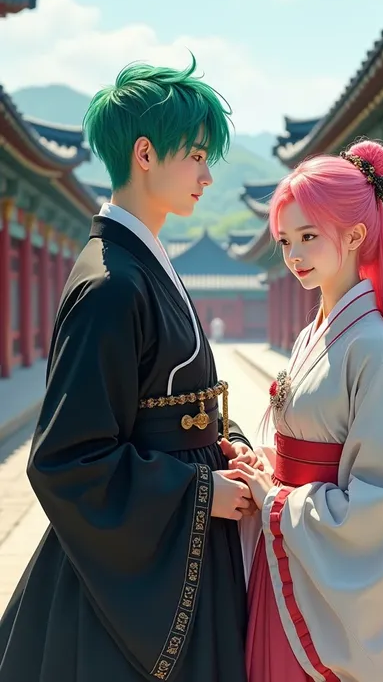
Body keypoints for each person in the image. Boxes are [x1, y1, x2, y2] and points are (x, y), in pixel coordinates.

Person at [0, 57, 261, 682]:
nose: (207, 173)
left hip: (184, 546)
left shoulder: (142, 262)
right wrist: (201, 494)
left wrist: (230, 451)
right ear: (145, 153)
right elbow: (66, 457)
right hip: (144, 570)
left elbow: (175, 408)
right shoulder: (111, 284)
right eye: (196, 155)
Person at [230, 139, 383, 681]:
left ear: (356, 235)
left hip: (322, 574)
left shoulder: (372, 348)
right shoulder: (313, 332)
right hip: (296, 556)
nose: (294, 256)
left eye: (309, 237)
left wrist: (279, 501)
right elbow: (311, 449)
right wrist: (266, 468)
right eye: (286, 241)